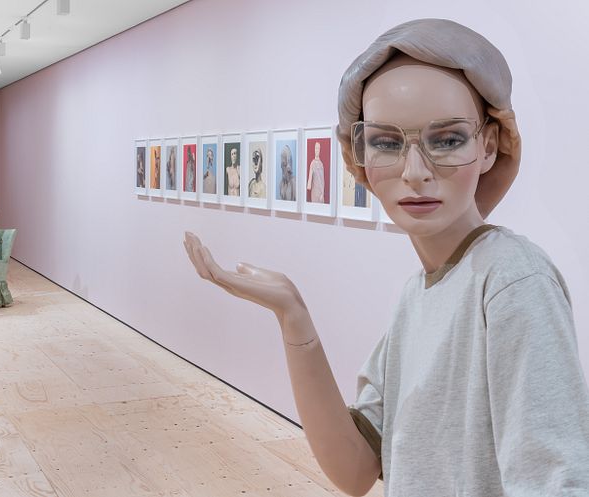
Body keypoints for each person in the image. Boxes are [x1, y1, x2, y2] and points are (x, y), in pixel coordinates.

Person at [184, 18, 589, 497]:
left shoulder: (511, 280)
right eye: (387, 143)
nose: (415, 172)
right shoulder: (418, 295)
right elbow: (355, 470)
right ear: (359, 160)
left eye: (447, 140)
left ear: (489, 145)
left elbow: (556, 482)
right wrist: (294, 318)